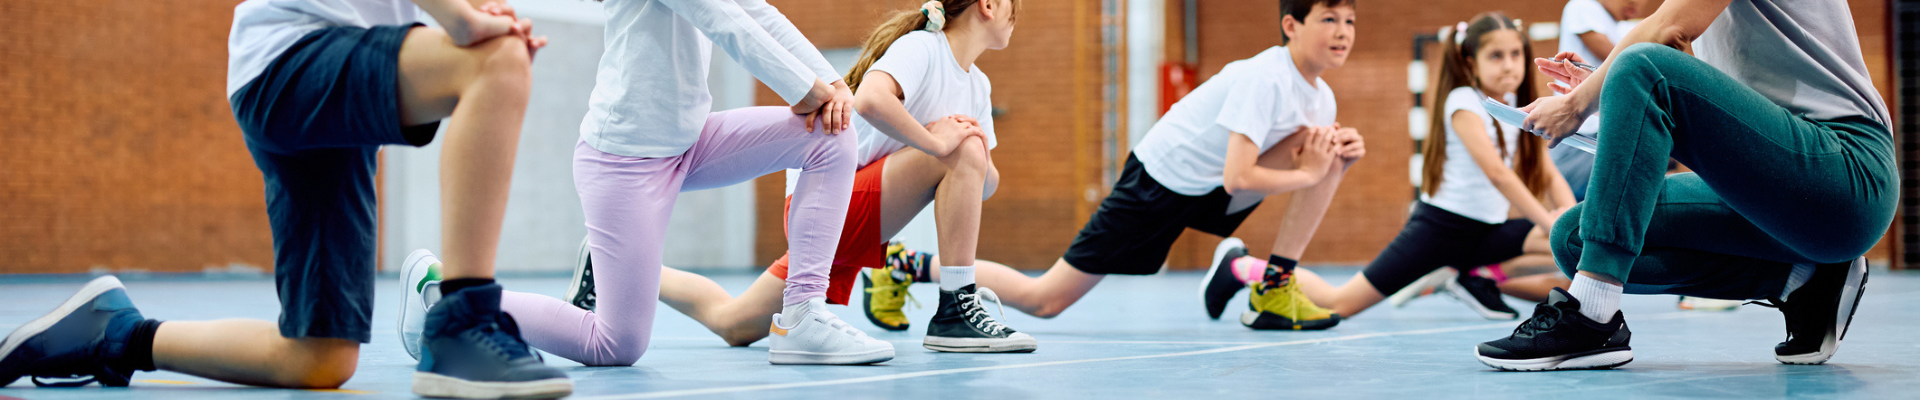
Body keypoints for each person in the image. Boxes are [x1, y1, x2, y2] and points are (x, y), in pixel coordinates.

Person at [2, 1, 571, 398]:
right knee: (495, 64)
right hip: (293, 54)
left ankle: (118, 333)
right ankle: (463, 319)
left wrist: (489, 13)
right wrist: (464, 22)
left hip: (294, 74)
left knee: (317, 359)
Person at [401, 0, 889, 367]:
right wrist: (807, 89)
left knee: (830, 135)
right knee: (616, 345)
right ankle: (446, 298)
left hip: (692, 142)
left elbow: (753, 10)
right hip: (623, 160)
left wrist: (835, 83)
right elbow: (721, 19)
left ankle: (802, 315)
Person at [555, 0, 1034, 353]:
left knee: (734, 323)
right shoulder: (923, 49)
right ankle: (954, 308)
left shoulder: (978, 84)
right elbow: (868, 100)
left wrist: (966, 152)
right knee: (617, 346)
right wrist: (936, 141)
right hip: (828, 196)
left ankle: (616, 266)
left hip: (824, 205)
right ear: (989, 6)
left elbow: (758, 14)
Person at [898, 0, 1365, 330]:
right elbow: (1238, 176)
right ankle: (907, 264)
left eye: (1349, 20)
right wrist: (1307, 174)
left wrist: (1323, 161)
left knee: (1334, 147)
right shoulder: (1266, 76)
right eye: (1329, 18)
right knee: (1046, 300)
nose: (1343, 31)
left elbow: (1242, 178)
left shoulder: (1320, 99)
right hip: (1160, 182)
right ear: (1291, 25)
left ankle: (1274, 285)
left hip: (1210, 189)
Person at [1477, 0, 1891, 371]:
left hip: (1847, 173)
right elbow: (1715, 103)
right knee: (1573, 238)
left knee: (1642, 65)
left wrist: (1580, 101)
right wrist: (1611, 93)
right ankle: (1802, 278)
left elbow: (1665, 34)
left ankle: (1590, 315)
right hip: (1787, 194)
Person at [1220, 13, 1576, 323]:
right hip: (1441, 230)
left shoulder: (1517, 104)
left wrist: (1569, 218)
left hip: (1487, 233)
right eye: (1496, 56)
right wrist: (1552, 225)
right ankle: (1240, 266)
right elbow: (1498, 174)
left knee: (1576, 248)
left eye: (1516, 54)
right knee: (1339, 303)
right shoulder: (1464, 102)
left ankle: (1475, 276)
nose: (1510, 65)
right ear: (1470, 62)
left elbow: (1546, 171)